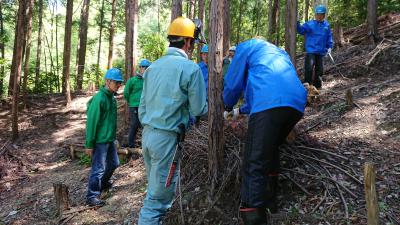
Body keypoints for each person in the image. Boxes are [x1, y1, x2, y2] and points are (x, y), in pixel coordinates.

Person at [223, 38, 307, 225]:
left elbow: (233, 82)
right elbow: (261, 90)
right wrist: (239, 111)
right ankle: (271, 204)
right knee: (270, 149)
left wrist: (227, 105)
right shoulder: (277, 52)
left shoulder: (245, 47)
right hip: (296, 104)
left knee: (254, 161)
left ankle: (255, 217)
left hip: (270, 103)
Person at [138, 16, 208, 225]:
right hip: (167, 140)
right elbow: (199, 109)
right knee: (157, 201)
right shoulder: (190, 68)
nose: (193, 48)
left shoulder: (152, 68)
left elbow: (142, 107)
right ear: (188, 42)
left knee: (155, 190)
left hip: (148, 136)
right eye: (193, 44)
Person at [85, 68, 124, 207]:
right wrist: (89, 144)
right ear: (108, 81)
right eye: (117, 82)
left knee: (114, 163)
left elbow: (110, 122)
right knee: (98, 169)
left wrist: (114, 138)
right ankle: (92, 196)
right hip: (100, 141)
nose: (119, 85)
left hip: (109, 139)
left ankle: (102, 184)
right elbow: (92, 123)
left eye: (120, 82)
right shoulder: (99, 99)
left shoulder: (111, 98)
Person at [297, 4, 333, 89]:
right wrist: (297, 23)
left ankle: (318, 87)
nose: (319, 16)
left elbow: (329, 37)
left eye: (321, 14)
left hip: (321, 52)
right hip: (311, 51)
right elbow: (301, 31)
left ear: (324, 15)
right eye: (318, 14)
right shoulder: (310, 24)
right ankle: (307, 86)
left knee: (319, 70)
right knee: (309, 68)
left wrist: (330, 47)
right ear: (315, 15)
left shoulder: (326, 26)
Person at [123, 59, 151, 148]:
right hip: (134, 106)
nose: (145, 69)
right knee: (134, 124)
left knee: (145, 125)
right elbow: (126, 93)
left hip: (146, 106)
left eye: (147, 67)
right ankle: (131, 145)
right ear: (140, 68)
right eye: (144, 67)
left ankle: (145, 145)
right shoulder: (133, 80)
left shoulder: (150, 80)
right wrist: (131, 101)